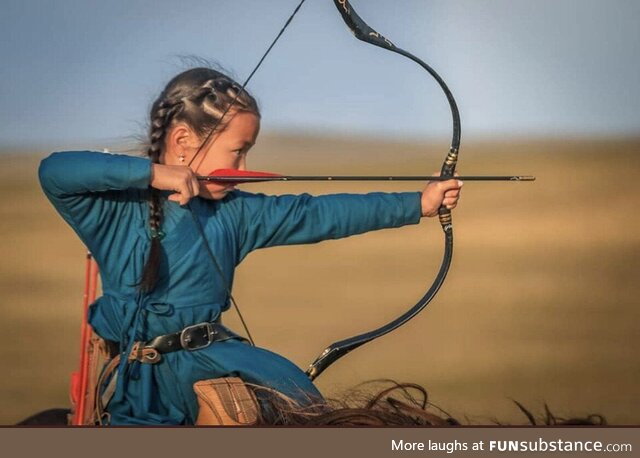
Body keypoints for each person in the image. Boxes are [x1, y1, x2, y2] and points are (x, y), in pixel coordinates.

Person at [38, 67, 463, 425]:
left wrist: (416, 204)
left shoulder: (238, 212)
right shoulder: (114, 212)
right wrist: (155, 175)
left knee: (307, 411)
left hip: (215, 361)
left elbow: (316, 215)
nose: (242, 170)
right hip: (145, 389)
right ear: (184, 142)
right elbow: (55, 170)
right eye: (237, 153)